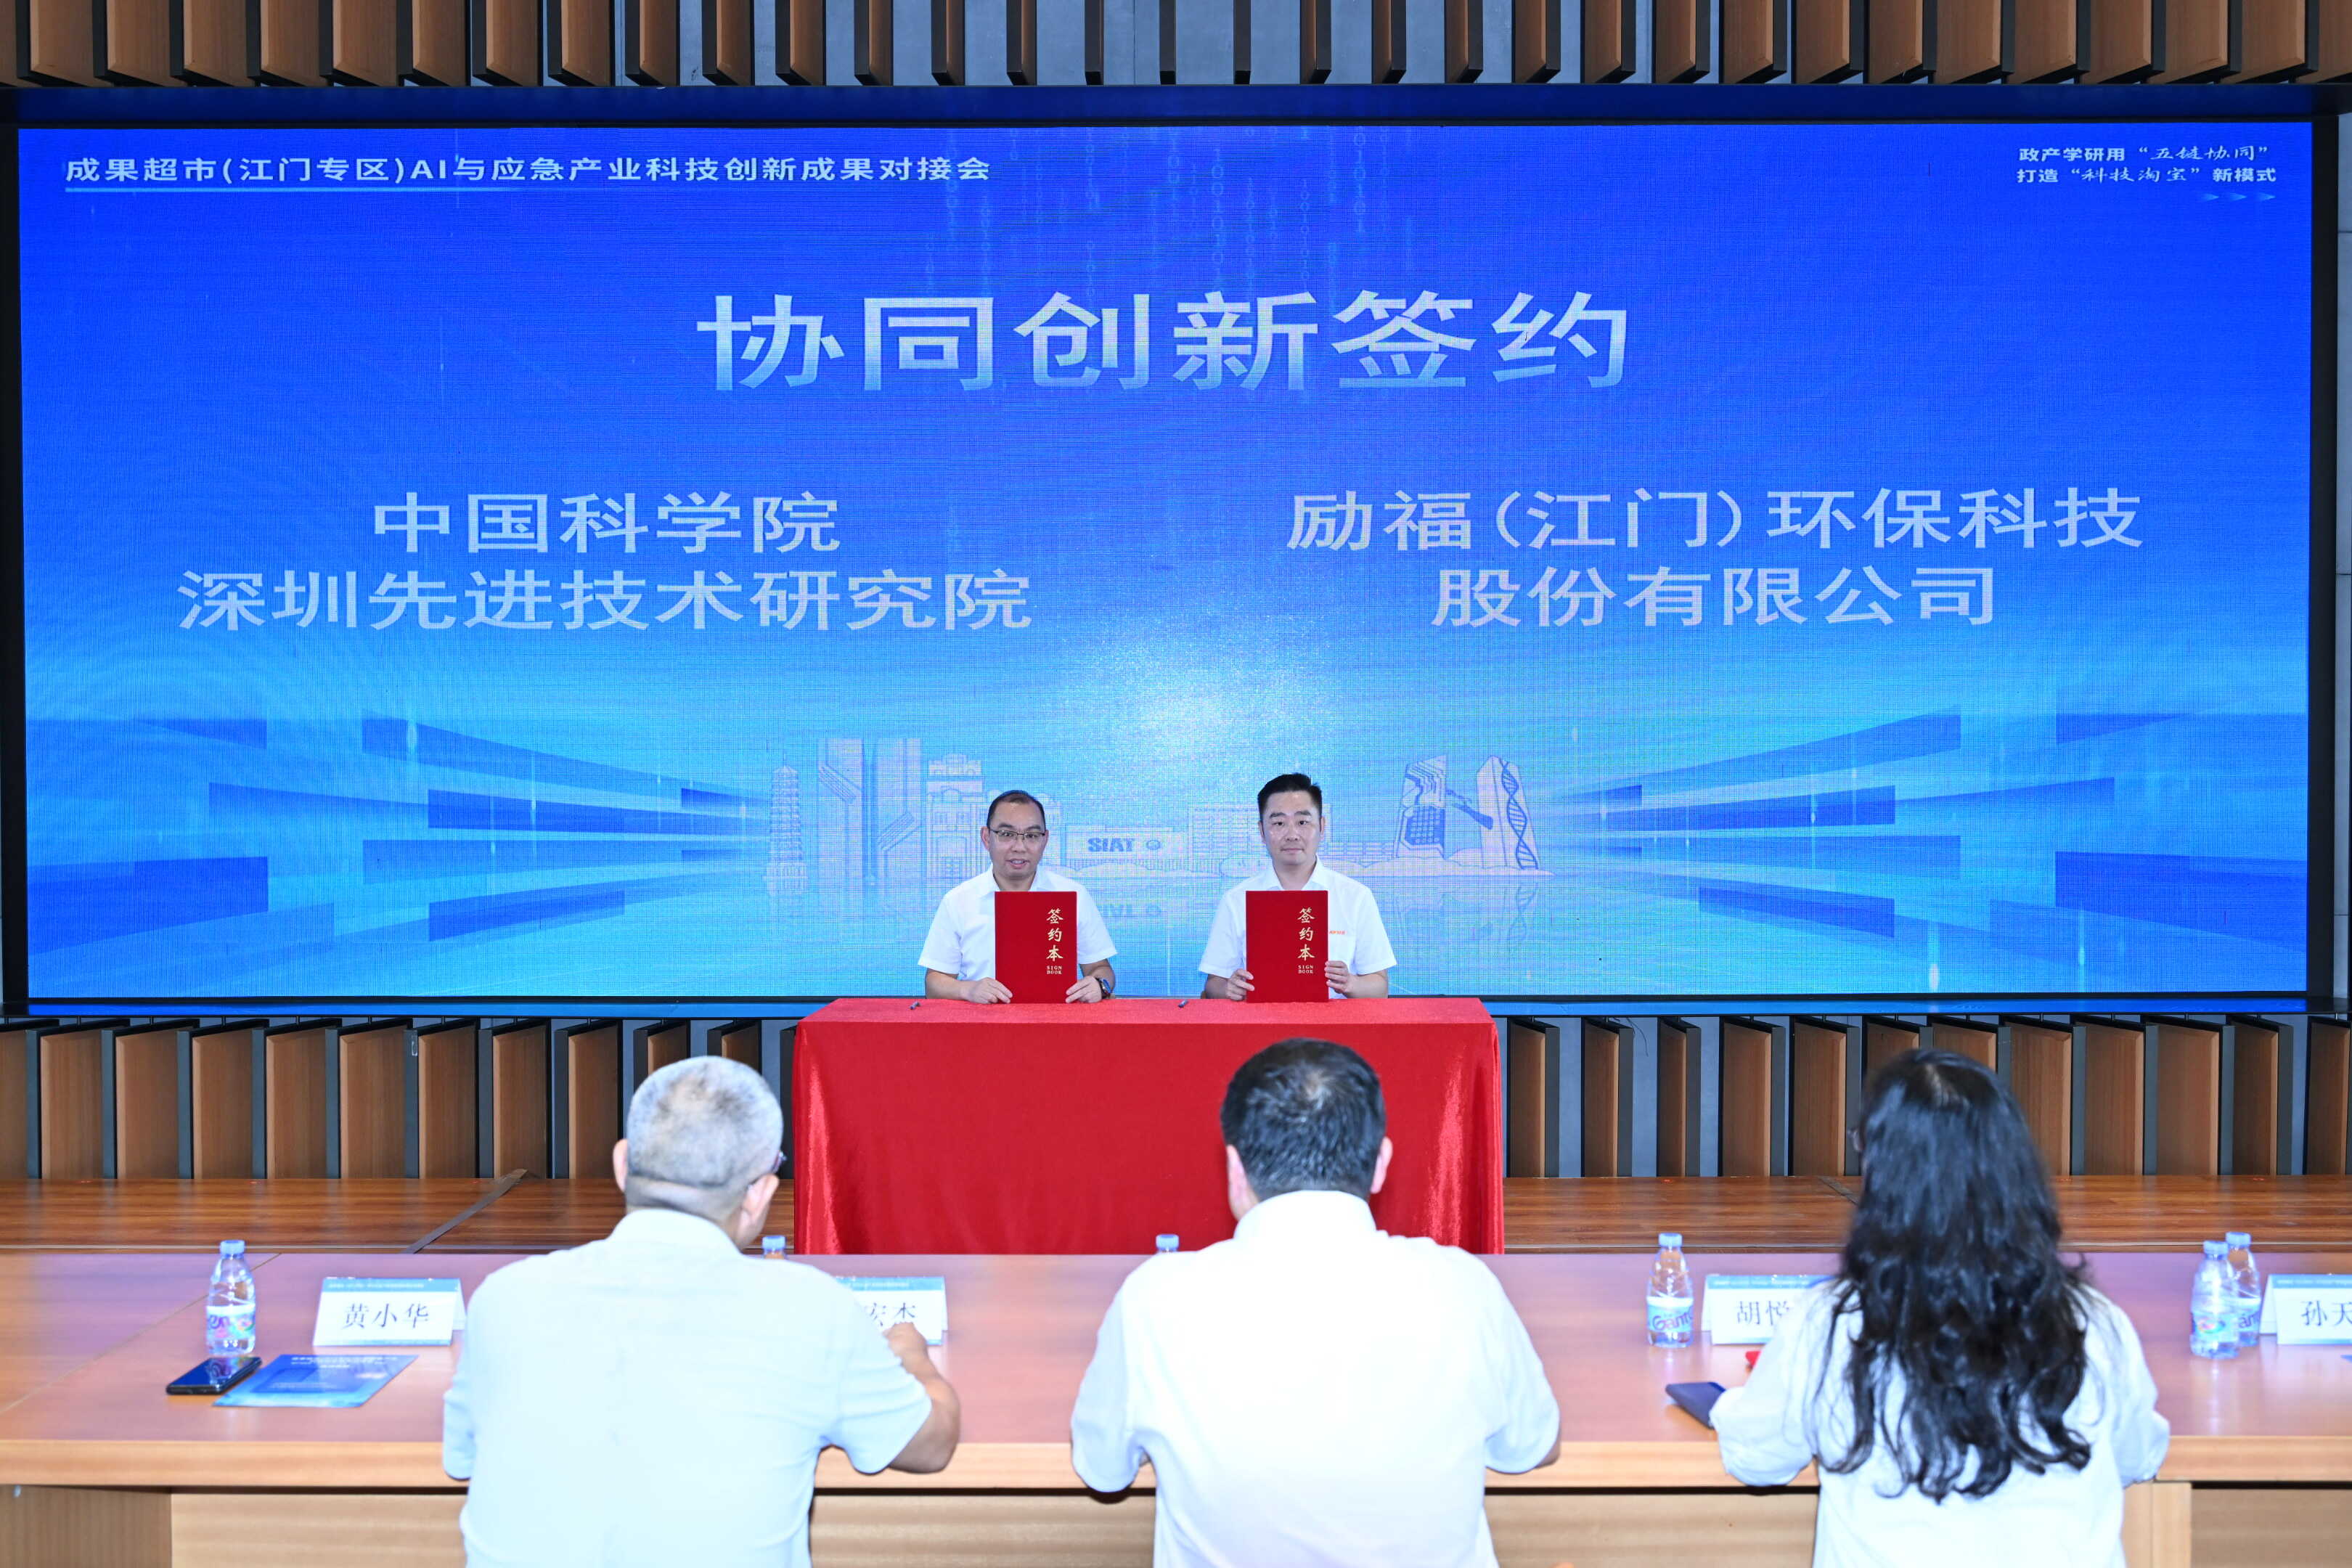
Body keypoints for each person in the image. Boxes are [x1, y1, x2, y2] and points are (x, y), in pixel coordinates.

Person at [442, 1058, 960, 1567]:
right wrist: (910, 1355)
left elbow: (462, 1458)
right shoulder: (811, 1310)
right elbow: (930, 1446)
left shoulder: (504, 1298)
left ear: (622, 1164)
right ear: (759, 1195)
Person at [1070, 1038, 1559, 1566]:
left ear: (1235, 1169)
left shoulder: (1155, 1300)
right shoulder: (1463, 1288)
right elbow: (1530, 1447)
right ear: (1381, 1163)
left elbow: (1104, 1469)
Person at [1712, 1048, 2169, 1568]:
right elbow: (2139, 1458)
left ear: (1884, 1173)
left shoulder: (1831, 1324)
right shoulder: (2092, 1323)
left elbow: (1756, 1459)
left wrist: (1728, 1403)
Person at [1198, 772, 1395, 1000]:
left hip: (1335, 1022)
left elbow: (1380, 988)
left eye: (1302, 822)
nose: (1292, 835)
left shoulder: (1355, 896)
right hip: (1260, 1021)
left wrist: (1350, 983)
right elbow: (1214, 986)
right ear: (1262, 832)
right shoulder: (1237, 899)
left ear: (1322, 826)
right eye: (1279, 823)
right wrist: (1230, 989)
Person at [921, 788, 1117, 1003]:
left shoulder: (1073, 895)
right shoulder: (958, 900)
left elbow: (1100, 968)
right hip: (980, 1020)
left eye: (1032, 836)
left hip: (1054, 1019)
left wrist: (1099, 985)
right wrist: (968, 990)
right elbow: (934, 983)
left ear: (1045, 840)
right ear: (986, 838)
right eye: (1007, 835)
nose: (1019, 847)